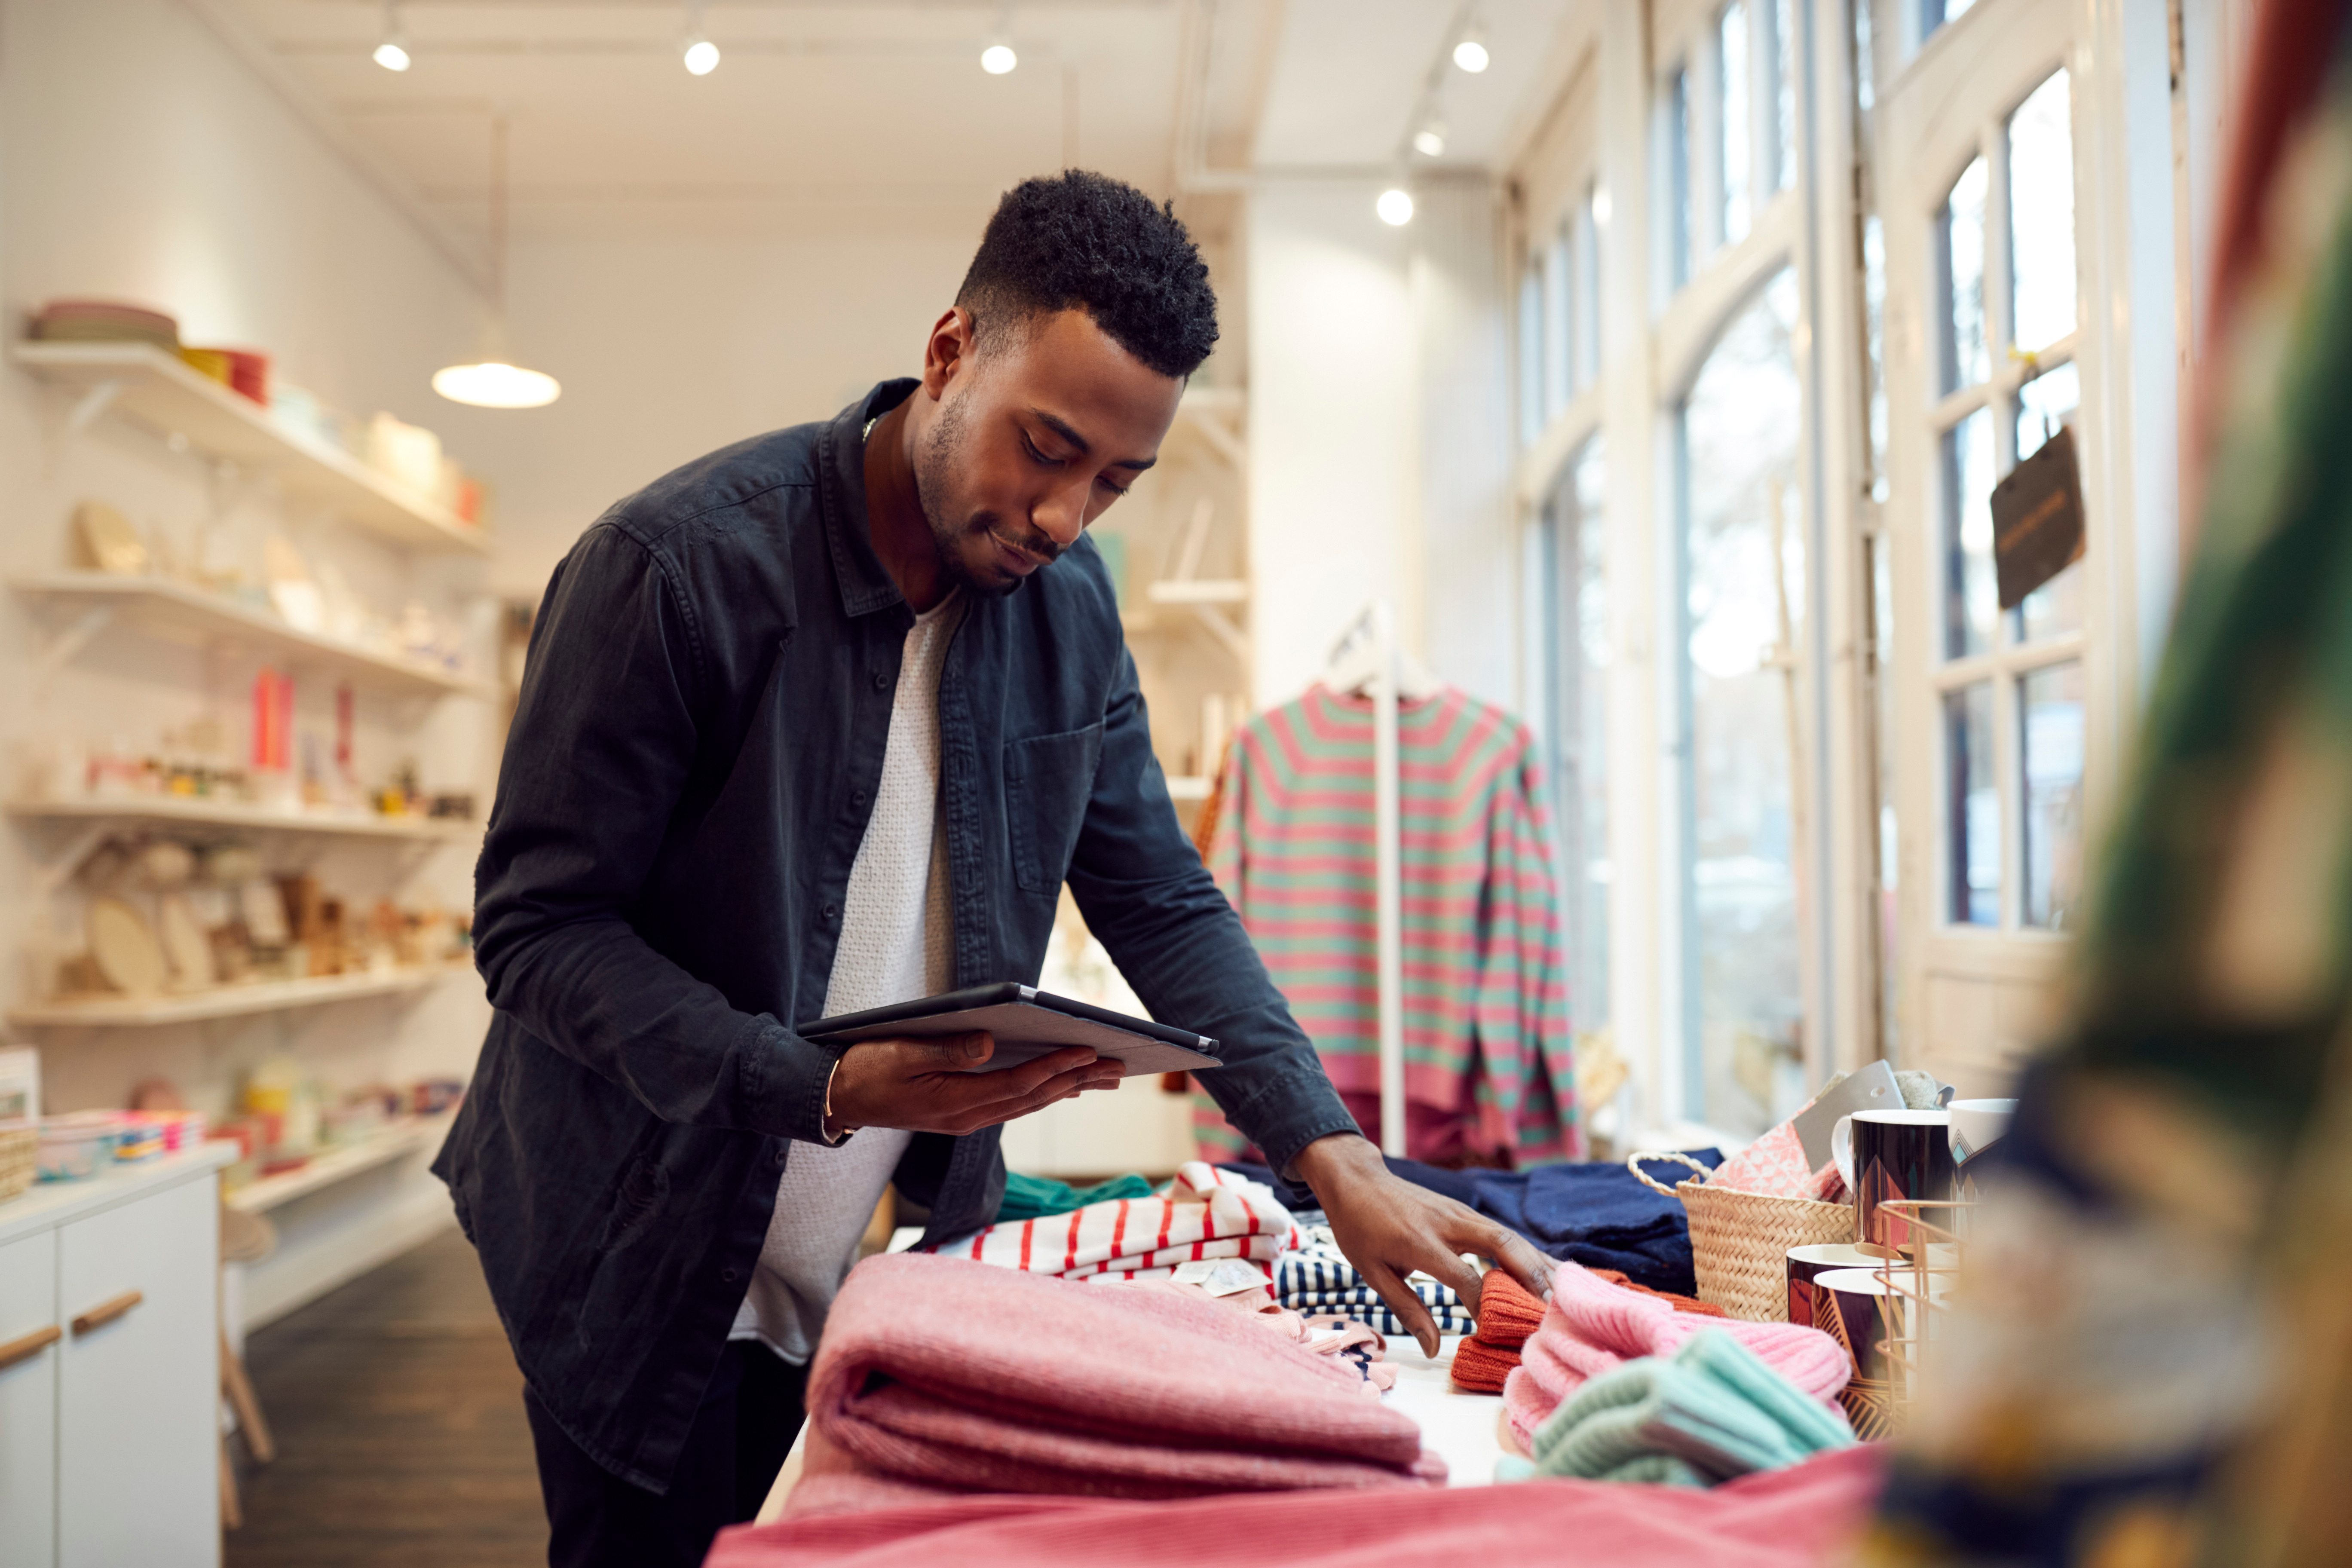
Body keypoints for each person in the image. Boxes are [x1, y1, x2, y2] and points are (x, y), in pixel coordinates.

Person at [434, 168, 1558, 1568]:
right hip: (636, 1242)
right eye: (1046, 448)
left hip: (882, 1254)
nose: (1067, 519)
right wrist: (823, 1088)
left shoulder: (1071, 609)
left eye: (1117, 482)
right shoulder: (673, 569)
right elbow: (539, 932)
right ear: (951, 351)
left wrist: (1326, 1153)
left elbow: (1158, 894)